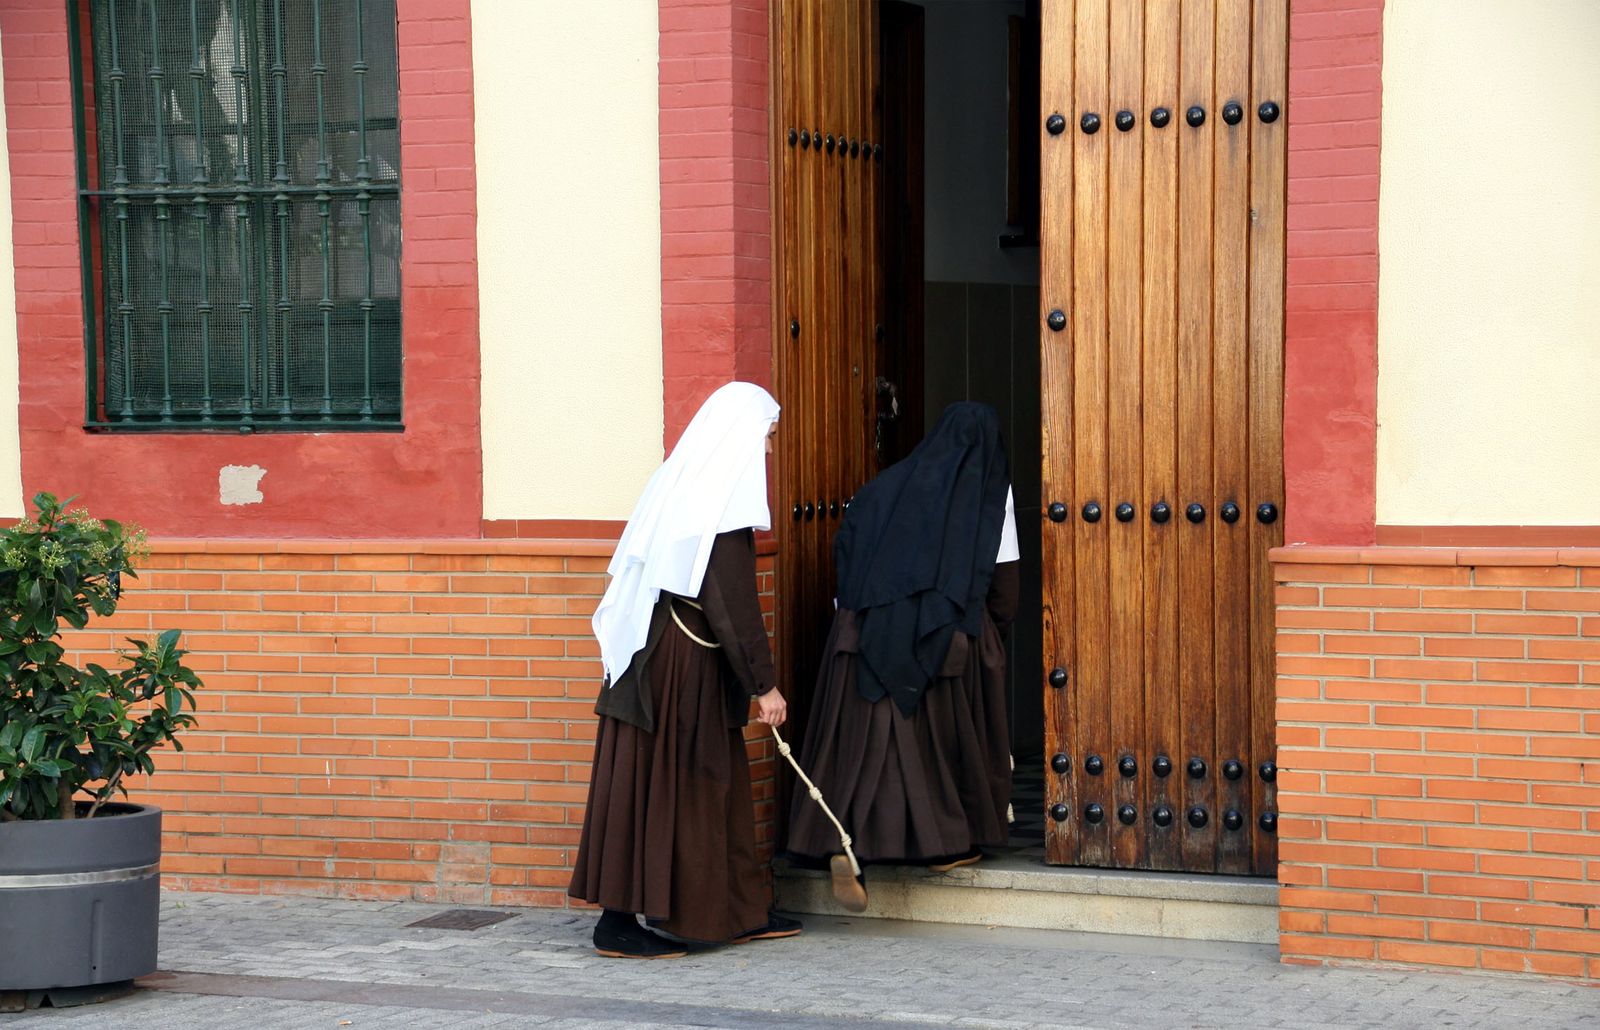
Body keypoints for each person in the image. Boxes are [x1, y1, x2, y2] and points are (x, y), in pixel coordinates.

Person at [570, 382, 802, 959]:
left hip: (667, 663)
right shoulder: (716, 509)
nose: (769, 452)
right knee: (674, 785)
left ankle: (731, 911)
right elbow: (731, 605)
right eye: (767, 439)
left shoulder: (687, 490)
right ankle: (618, 924)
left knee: (695, 786)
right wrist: (764, 685)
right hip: (676, 673)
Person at [787, 402, 1019, 871]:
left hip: (866, 636)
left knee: (868, 745)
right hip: (941, 639)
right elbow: (1004, 587)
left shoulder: (883, 488)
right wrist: (988, 638)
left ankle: (844, 842)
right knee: (932, 747)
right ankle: (944, 845)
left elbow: (847, 557)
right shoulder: (990, 495)